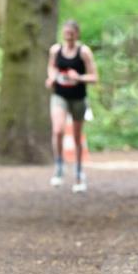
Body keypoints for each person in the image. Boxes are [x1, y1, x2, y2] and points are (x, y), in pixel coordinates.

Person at [46, 19, 98, 192]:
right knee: (58, 130)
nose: (68, 36)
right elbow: (51, 67)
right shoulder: (56, 50)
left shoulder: (84, 52)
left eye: (71, 33)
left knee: (76, 137)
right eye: (66, 33)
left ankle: (79, 172)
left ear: (77, 34)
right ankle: (59, 166)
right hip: (59, 95)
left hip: (78, 98)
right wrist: (52, 78)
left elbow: (94, 77)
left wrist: (79, 77)